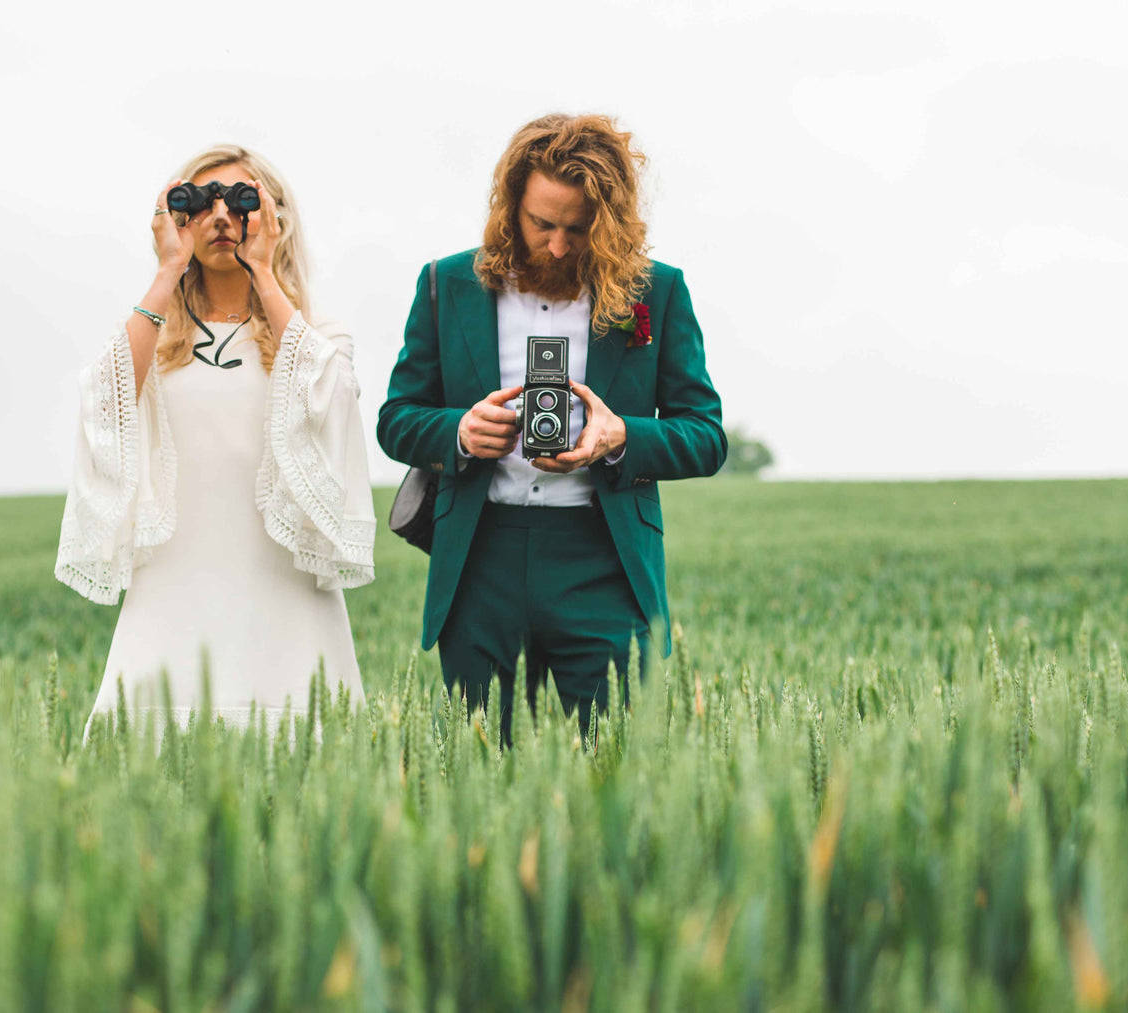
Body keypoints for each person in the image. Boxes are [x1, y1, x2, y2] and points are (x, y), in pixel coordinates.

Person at [377, 114, 726, 744]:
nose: (559, 246)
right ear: (511, 206)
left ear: (610, 223)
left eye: (578, 230)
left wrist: (622, 439)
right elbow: (396, 420)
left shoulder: (660, 291)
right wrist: (460, 431)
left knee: (614, 775)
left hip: (605, 568)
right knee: (473, 775)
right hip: (479, 565)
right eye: (542, 225)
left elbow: (706, 435)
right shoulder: (443, 284)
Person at [56, 144, 374, 741]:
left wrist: (266, 272)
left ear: (275, 219)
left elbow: (332, 404)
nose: (222, 216)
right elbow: (106, 400)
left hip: (286, 603)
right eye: (201, 204)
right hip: (172, 599)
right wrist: (166, 272)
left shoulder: (317, 335)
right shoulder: (153, 335)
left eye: (243, 201)